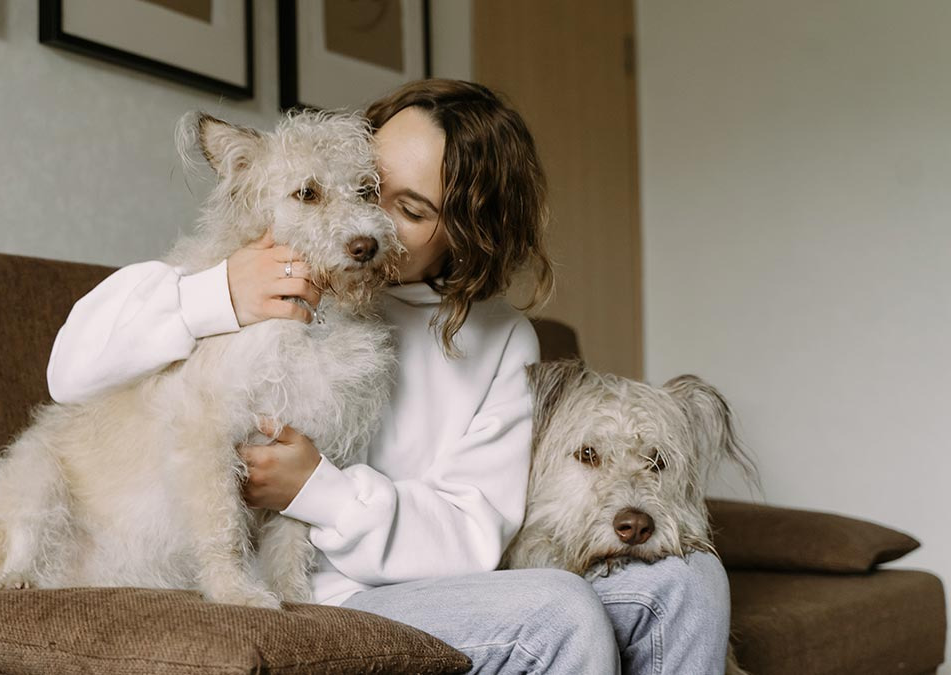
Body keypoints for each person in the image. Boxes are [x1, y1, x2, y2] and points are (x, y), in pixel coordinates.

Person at [46, 79, 731, 674]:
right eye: (370, 184)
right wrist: (220, 293)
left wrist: (321, 490)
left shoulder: (497, 341)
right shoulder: (266, 263)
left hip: (413, 580)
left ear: (467, 232)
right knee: (560, 609)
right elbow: (69, 367)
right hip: (315, 590)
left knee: (691, 581)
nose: (363, 221)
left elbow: (471, 535)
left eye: (409, 210)